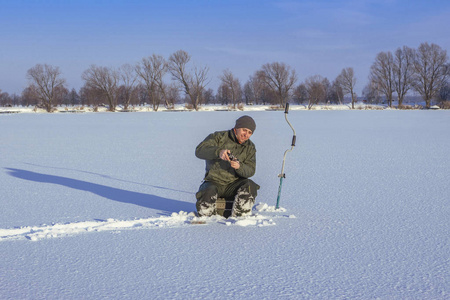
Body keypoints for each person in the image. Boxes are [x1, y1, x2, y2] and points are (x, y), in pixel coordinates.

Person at [195, 115, 259, 217]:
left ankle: (240, 218)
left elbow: (251, 170)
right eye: (244, 130)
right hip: (214, 182)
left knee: (250, 185)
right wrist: (218, 152)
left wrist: (239, 167)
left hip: (234, 184)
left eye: (249, 132)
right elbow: (199, 151)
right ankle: (207, 221)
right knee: (207, 191)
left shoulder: (250, 147)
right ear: (237, 128)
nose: (246, 134)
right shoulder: (218, 137)